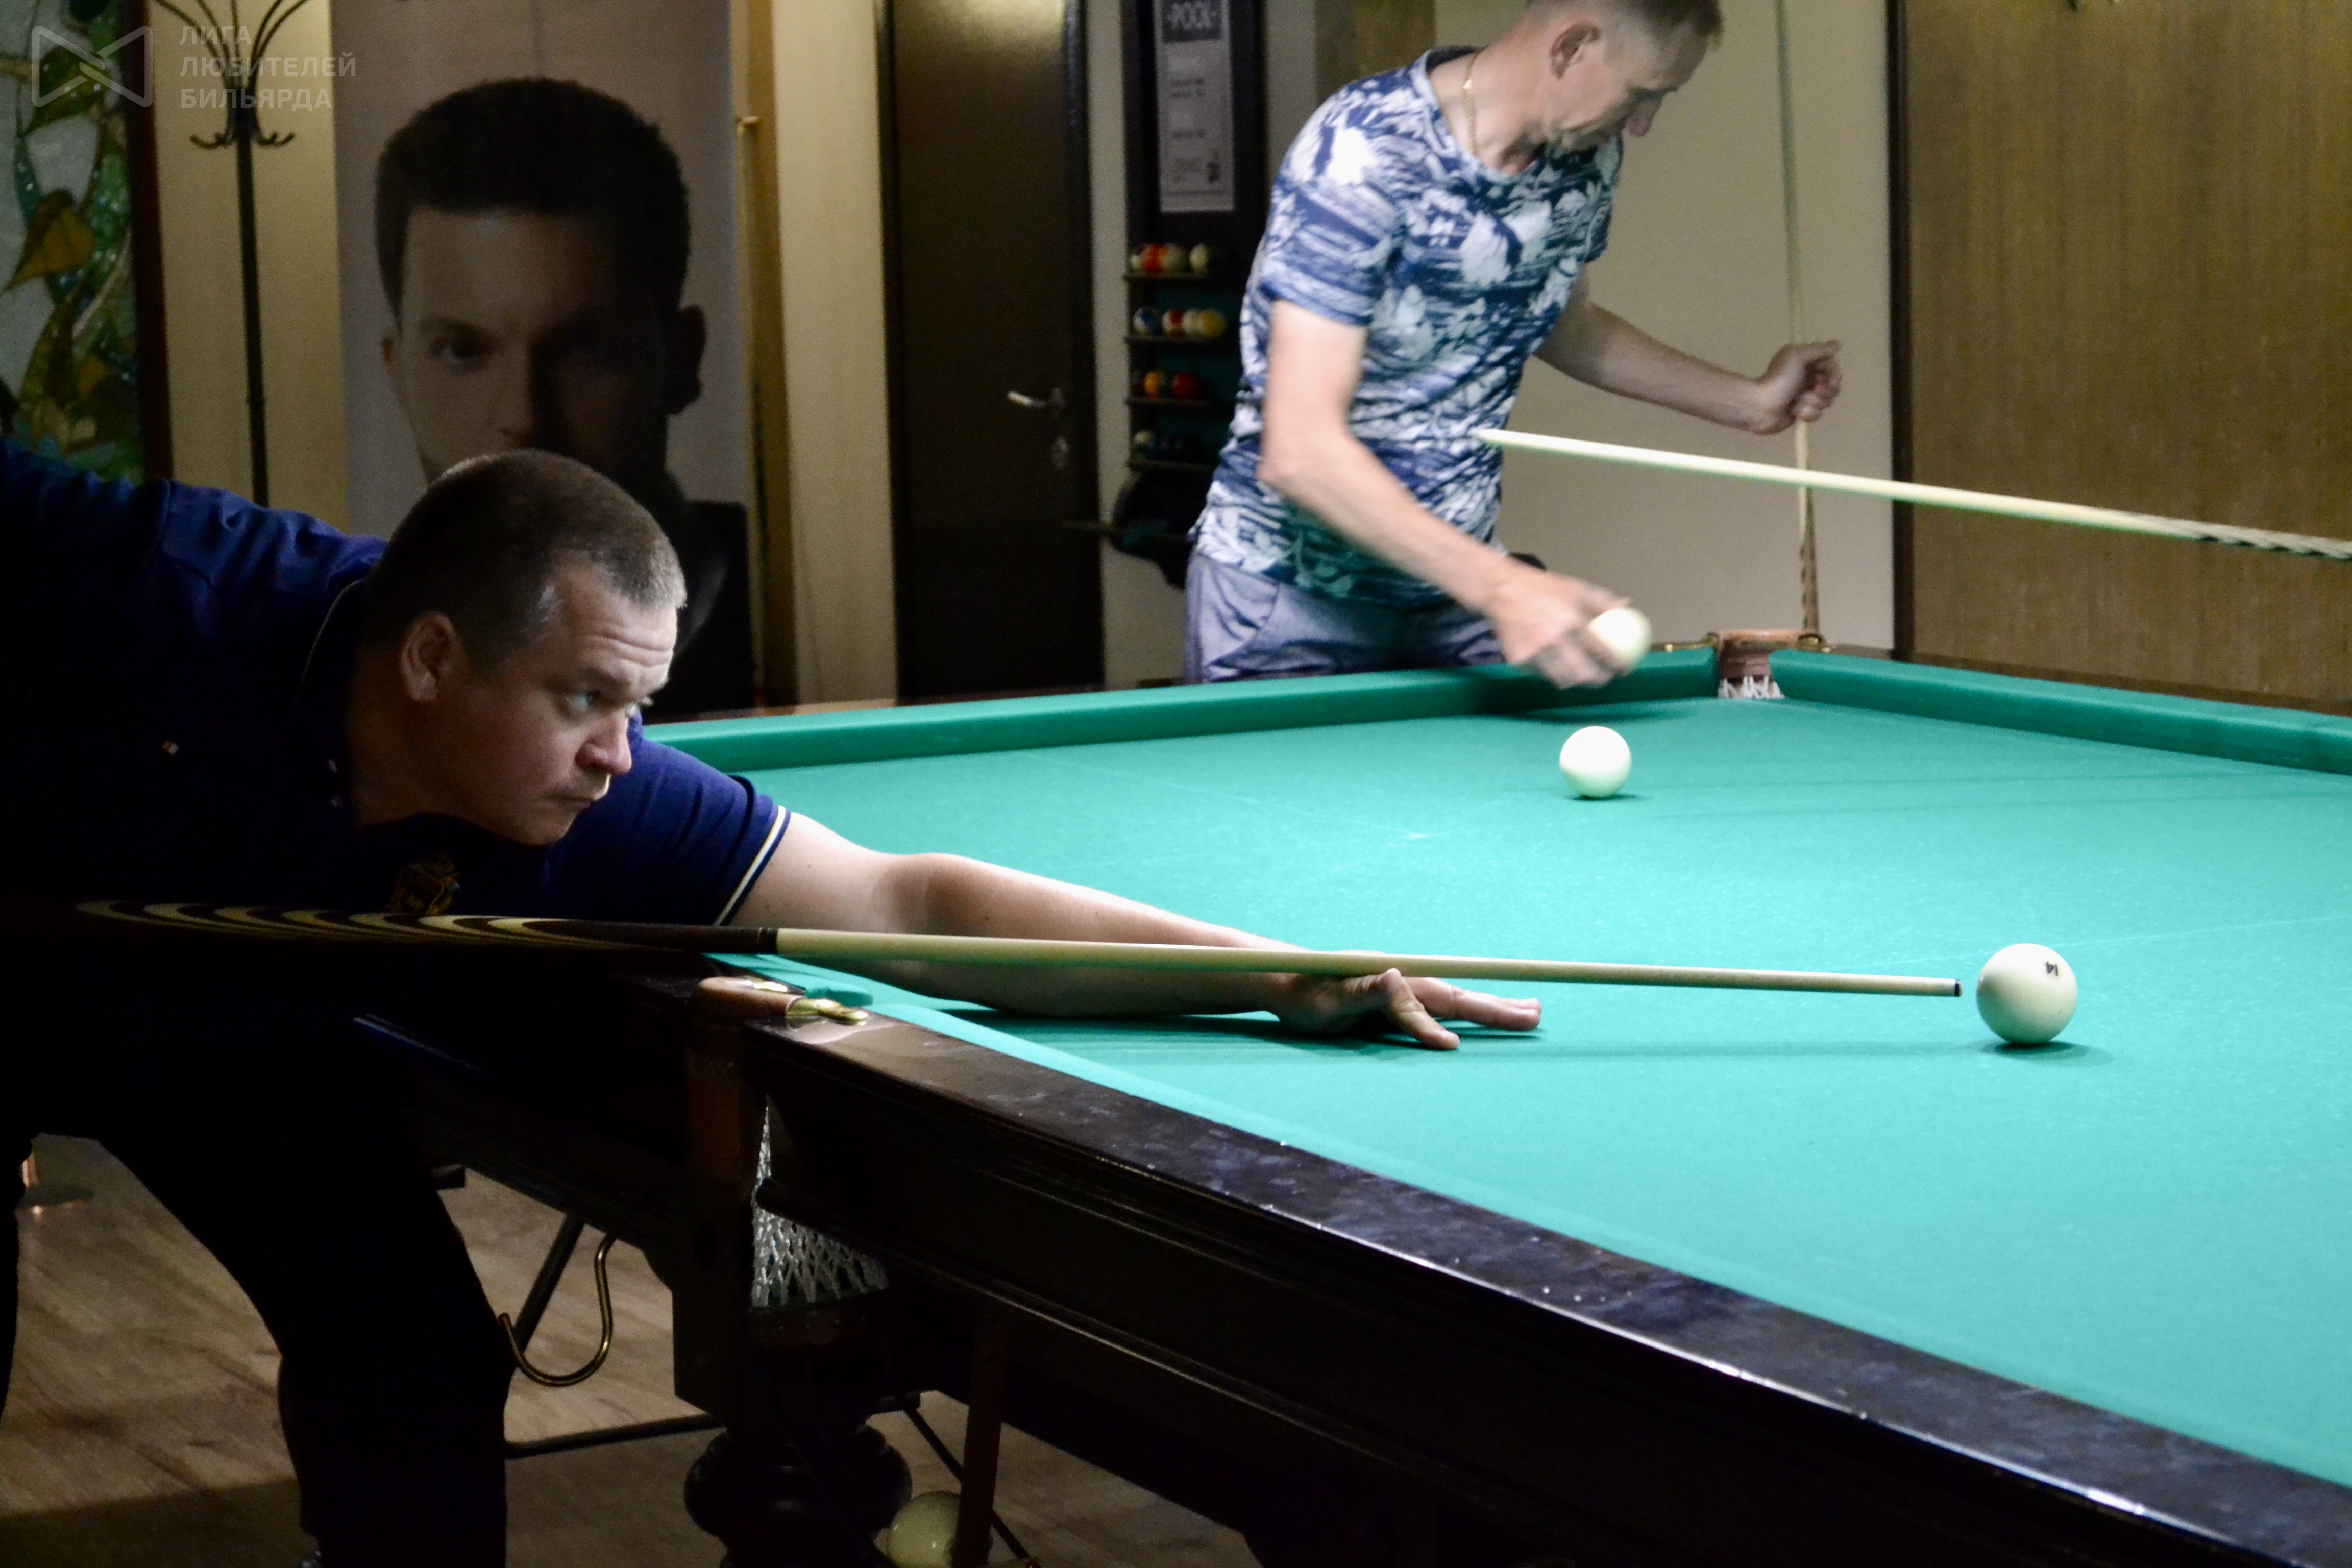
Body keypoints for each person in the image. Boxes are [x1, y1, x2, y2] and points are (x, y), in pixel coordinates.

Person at [0, 443, 1536, 1565]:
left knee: (412, 1348)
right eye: (584, 697)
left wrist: (1261, 970)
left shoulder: (604, 800)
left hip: (237, 1013)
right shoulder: (150, 585)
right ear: (431, 659)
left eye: (640, 703)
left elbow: (901, 903)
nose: (619, 751)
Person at [1189, 0, 1842, 686]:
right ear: (1572, 47)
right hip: (1290, 602)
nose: (1644, 124)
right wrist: (1503, 588)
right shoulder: (1366, 148)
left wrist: (1749, 403)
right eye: (1640, 95)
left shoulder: (1585, 161)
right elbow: (1300, 453)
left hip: (1451, 598)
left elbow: (1563, 324)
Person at [374, 77, 755, 714]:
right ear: (397, 373)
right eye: (464, 350)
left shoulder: (781, 604)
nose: (523, 418)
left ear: (681, 358)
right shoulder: (359, 638)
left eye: (586, 348)